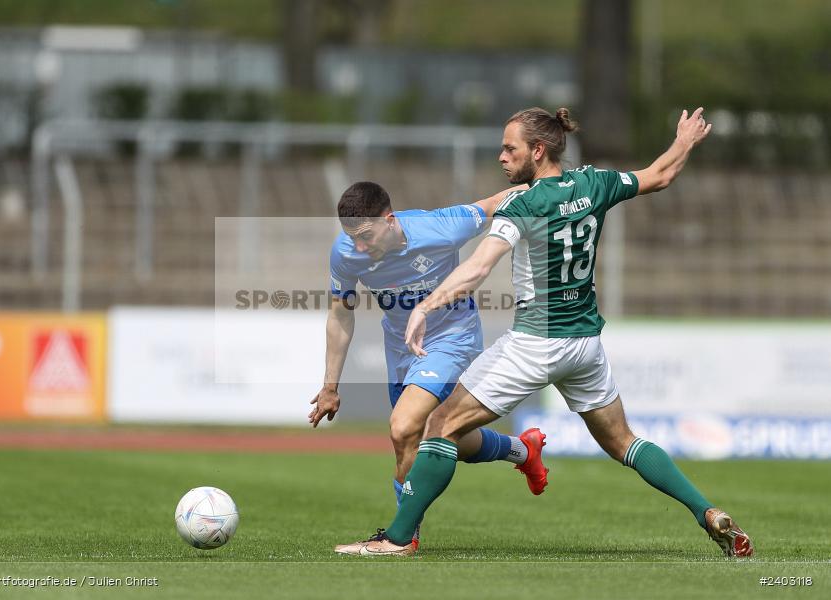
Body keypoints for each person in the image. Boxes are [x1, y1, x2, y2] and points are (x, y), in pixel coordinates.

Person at [335, 106, 753, 558]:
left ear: (538, 150)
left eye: (509, 148)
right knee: (624, 442)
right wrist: (685, 141)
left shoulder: (523, 203)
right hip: (585, 344)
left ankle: (397, 539)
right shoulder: (595, 183)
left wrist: (426, 307)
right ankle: (707, 512)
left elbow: (476, 268)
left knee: (440, 424)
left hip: (536, 342)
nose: (501, 157)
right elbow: (660, 175)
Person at [311, 180, 550, 551]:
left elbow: (496, 200)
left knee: (403, 427)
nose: (358, 246)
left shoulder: (442, 225)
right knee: (435, 436)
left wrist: (556, 182)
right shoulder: (345, 252)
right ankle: (522, 450)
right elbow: (341, 315)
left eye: (365, 235)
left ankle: (403, 537)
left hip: (452, 340)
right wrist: (330, 387)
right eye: (351, 237)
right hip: (402, 348)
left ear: (389, 220)